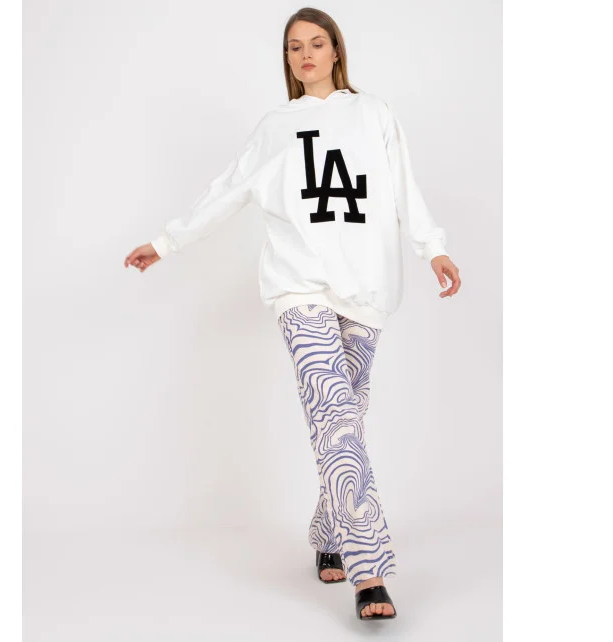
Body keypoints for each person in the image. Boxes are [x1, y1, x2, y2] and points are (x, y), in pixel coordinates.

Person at [124, 7, 461, 621]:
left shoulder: (374, 113)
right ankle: (368, 571)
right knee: (334, 417)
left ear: (336, 51)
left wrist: (432, 247)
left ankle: (328, 532)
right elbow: (228, 189)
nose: (305, 54)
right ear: (286, 59)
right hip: (298, 286)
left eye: (316, 43)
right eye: (294, 47)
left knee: (347, 418)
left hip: (367, 286)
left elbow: (404, 188)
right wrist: (167, 241)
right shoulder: (276, 127)